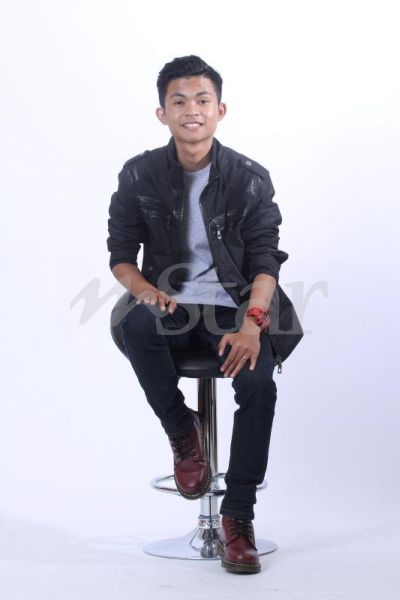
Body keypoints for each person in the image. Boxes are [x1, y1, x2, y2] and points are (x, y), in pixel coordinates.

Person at [107, 55, 302, 574]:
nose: (191, 109)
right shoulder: (140, 174)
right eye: (179, 101)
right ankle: (182, 430)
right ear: (162, 113)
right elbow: (121, 256)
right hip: (170, 301)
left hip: (237, 306)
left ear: (220, 110)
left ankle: (238, 516)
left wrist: (253, 323)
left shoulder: (249, 178)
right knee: (136, 322)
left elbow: (266, 260)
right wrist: (147, 292)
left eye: (201, 100)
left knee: (258, 385)